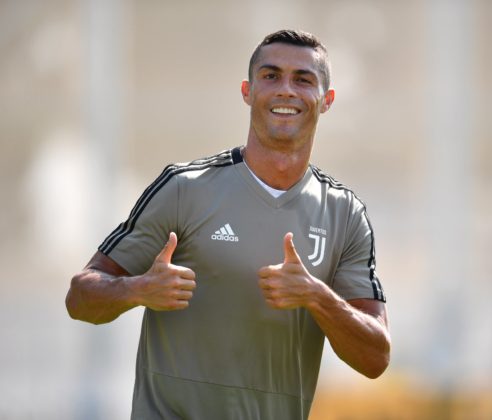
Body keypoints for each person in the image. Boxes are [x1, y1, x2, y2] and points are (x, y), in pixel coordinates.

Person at [66, 29, 390, 419]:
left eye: (303, 79)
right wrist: (138, 289)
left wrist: (316, 296)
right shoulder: (184, 188)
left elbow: (376, 357)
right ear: (247, 91)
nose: (286, 90)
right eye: (270, 76)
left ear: (327, 100)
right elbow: (79, 298)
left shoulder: (345, 214)